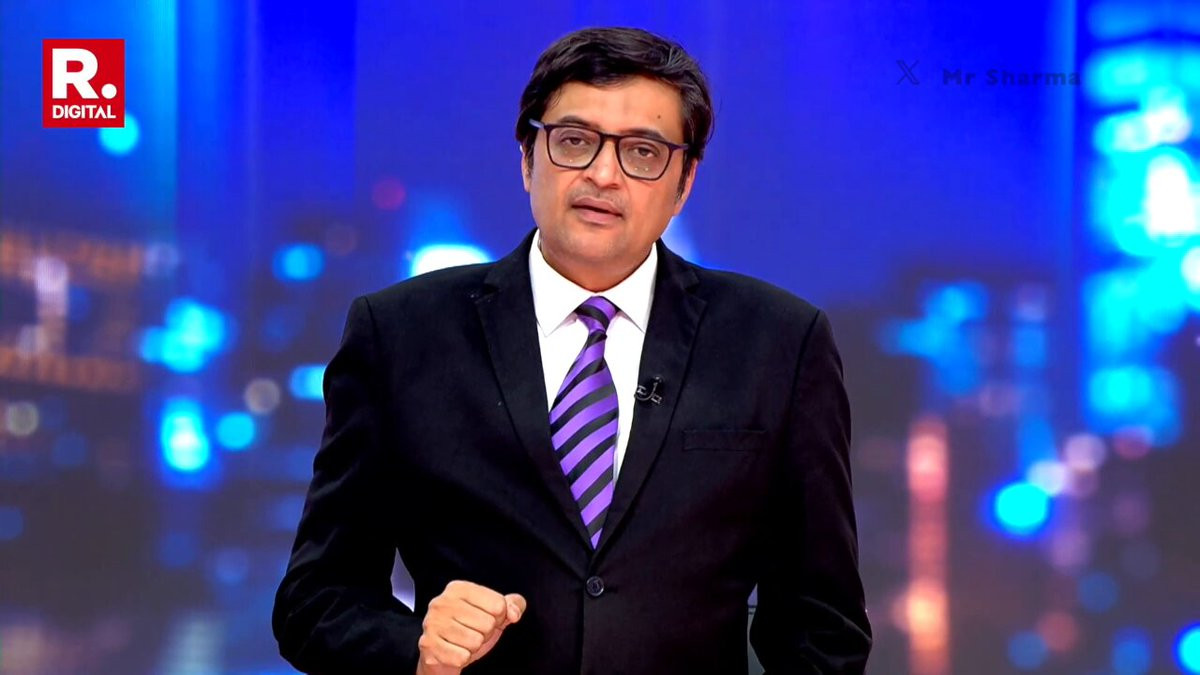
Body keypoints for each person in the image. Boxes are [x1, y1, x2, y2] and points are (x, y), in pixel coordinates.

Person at [272, 26, 871, 675]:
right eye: (575, 141)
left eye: (642, 151)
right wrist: (414, 648)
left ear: (684, 181)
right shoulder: (400, 334)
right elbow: (316, 599)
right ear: (527, 157)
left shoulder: (779, 342)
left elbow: (823, 628)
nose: (603, 174)